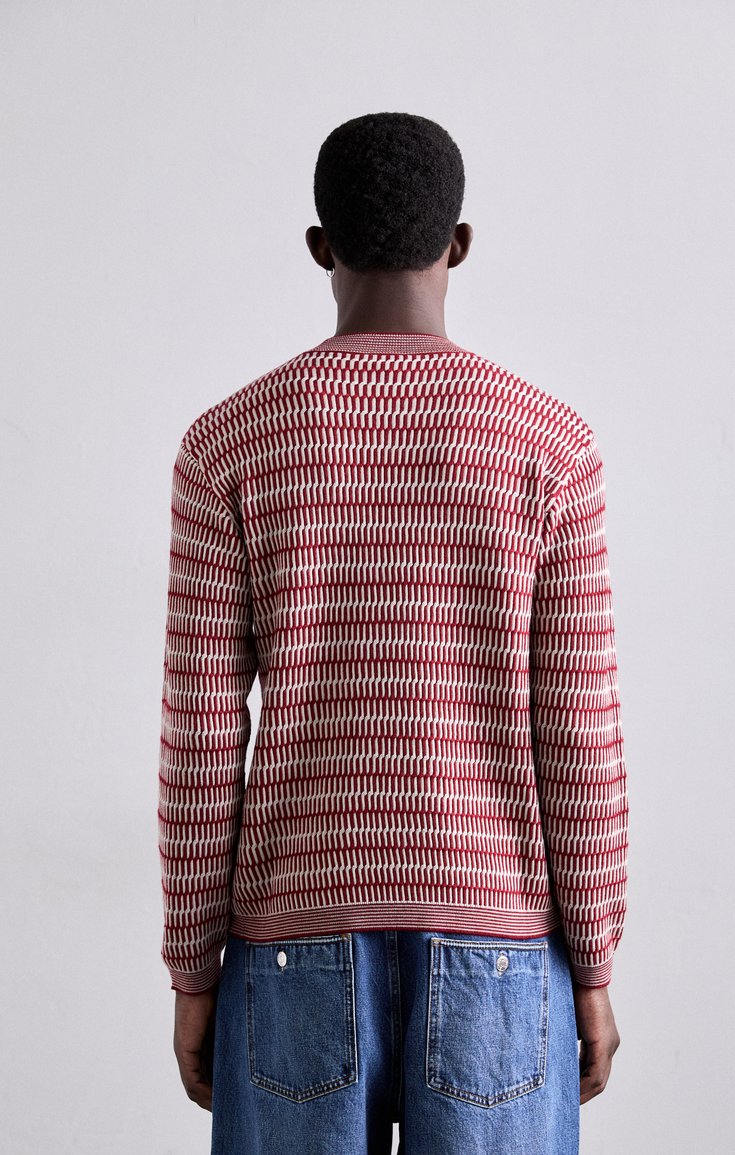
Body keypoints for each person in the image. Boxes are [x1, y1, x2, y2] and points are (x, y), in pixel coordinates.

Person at [158, 111, 628, 1154]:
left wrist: (193, 975)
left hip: (291, 942)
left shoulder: (227, 444)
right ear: (458, 243)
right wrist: (594, 967)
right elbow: (579, 733)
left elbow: (201, 739)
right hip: (499, 942)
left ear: (318, 245)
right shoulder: (550, 445)